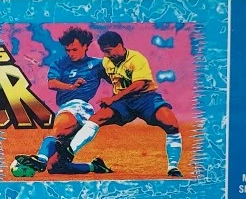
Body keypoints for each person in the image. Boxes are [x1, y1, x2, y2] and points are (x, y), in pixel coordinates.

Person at [62, 30, 183, 177]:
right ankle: (69, 151)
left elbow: (139, 84)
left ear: (119, 45)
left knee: (171, 124)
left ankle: (173, 167)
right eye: (103, 52)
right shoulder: (107, 62)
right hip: (123, 101)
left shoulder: (137, 59)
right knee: (96, 119)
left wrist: (113, 99)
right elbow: (106, 76)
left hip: (145, 97)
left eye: (108, 51)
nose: (106, 55)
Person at [12, 26, 111, 176]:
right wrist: (71, 86)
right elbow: (52, 83)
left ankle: (40, 159)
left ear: (86, 46)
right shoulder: (60, 63)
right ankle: (95, 166)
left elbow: (116, 79)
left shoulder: (98, 64)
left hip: (79, 106)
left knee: (56, 131)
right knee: (56, 167)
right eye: (68, 50)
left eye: (75, 49)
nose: (71, 53)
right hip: (65, 108)